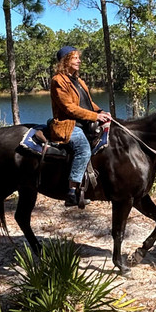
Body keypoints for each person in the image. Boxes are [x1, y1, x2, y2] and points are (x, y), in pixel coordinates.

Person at [49, 46, 112, 207]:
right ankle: (71, 192)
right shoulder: (58, 81)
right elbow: (69, 108)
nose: (79, 61)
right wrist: (95, 116)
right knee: (83, 149)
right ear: (66, 60)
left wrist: (101, 111)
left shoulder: (79, 81)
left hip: (85, 123)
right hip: (68, 125)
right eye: (75, 58)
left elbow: (88, 103)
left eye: (78, 58)